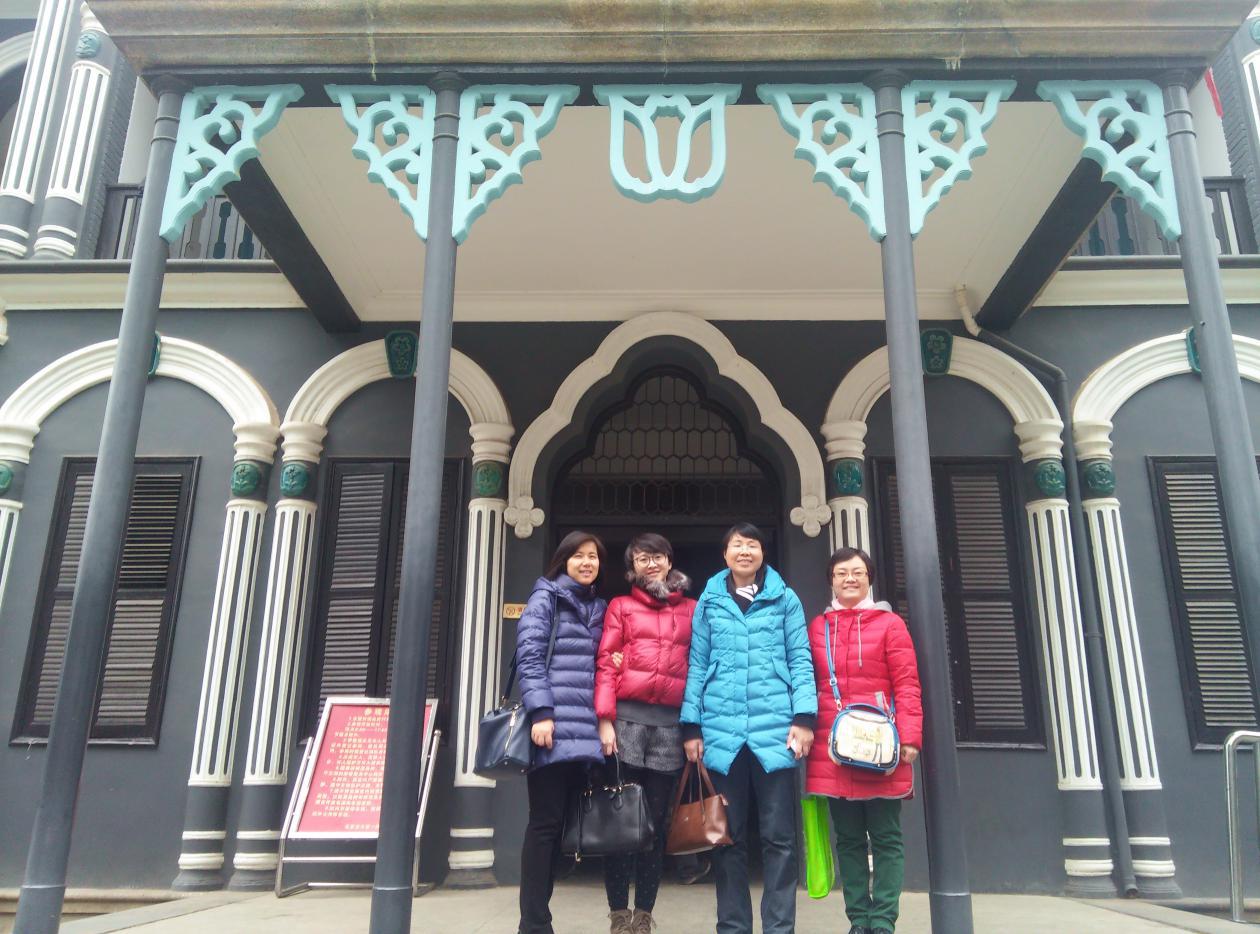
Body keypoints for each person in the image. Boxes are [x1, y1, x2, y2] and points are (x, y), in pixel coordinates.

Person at [679, 522, 817, 934]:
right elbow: (697, 663)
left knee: (779, 839)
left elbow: (800, 659)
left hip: (776, 733)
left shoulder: (785, 598)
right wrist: (691, 726)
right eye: (737, 545)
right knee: (728, 838)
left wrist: (804, 719)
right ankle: (733, 926)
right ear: (725, 555)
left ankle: (779, 928)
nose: (744, 551)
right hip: (722, 734)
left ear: (762, 553)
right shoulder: (709, 601)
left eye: (752, 544)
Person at [805, 547, 923, 934]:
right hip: (833, 747)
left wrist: (910, 737)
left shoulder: (890, 625)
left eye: (857, 572)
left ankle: (883, 919)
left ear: (869, 578)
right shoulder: (818, 627)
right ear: (831, 580)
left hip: (881, 746)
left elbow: (907, 684)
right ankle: (858, 919)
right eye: (841, 573)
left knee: (886, 837)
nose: (850, 579)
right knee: (849, 839)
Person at [595, 532, 697, 934]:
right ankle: (619, 915)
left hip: (670, 726)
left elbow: (699, 665)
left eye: (657, 556)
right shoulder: (620, 607)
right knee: (621, 824)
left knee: (654, 825)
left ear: (669, 561)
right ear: (632, 567)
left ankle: (644, 916)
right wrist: (605, 718)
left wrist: (693, 725)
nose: (651, 563)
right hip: (626, 724)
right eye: (642, 558)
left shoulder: (692, 608)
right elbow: (607, 661)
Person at [516, 531, 608, 934]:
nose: (587, 563)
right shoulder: (546, 599)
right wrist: (541, 712)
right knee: (545, 825)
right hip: (551, 729)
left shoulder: (599, 607)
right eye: (579, 556)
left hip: (584, 733)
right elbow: (530, 658)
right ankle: (534, 923)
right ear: (563, 560)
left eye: (593, 557)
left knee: (563, 829)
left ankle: (538, 918)